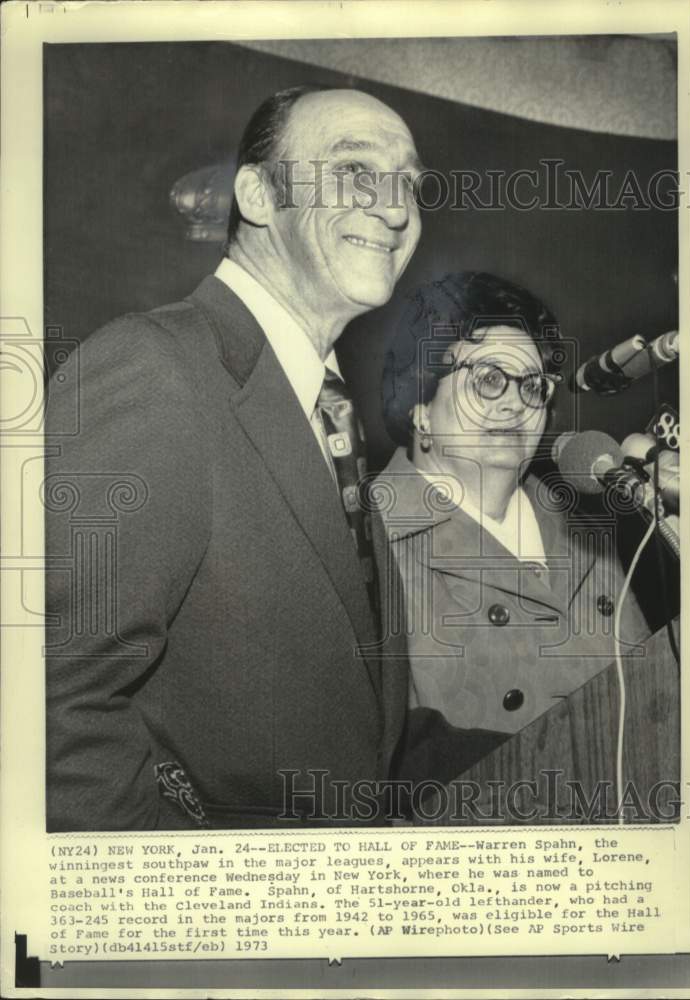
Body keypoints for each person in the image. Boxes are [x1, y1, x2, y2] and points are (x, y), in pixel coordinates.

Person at [44, 85, 423, 830]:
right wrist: (191, 908)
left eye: (411, 180)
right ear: (256, 194)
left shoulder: (325, 407)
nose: (396, 207)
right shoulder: (155, 368)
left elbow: (346, 725)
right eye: (355, 171)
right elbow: (42, 700)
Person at [374, 271, 650, 788]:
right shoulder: (369, 543)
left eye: (532, 386)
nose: (515, 403)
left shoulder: (592, 528)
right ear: (420, 408)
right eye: (488, 380)